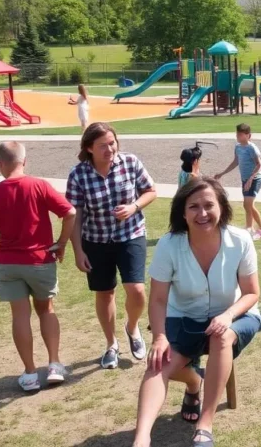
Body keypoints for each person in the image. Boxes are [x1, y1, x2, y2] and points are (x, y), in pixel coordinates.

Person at [132, 177, 261, 447]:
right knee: (157, 364)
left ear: (222, 208)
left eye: (208, 205)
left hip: (236, 315)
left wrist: (227, 316)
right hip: (183, 318)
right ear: (183, 211)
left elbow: (251, 293)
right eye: (193, 206)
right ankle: (142, 437)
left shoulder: (240, 240)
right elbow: (157, 299)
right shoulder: (169, 245)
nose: (202, 214)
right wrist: (159, 336)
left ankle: (205, 425)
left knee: (221, 337)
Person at [0, 141, 76, 392]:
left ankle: (29, 373)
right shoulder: (39, 185)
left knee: (20, 316)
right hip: (39, 259)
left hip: (7, 262)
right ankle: (55, 365)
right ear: (24, 161)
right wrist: (61, 243)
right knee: (46, 309)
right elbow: (69, 213)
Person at [67, 122, 158, 370]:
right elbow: (76, 215)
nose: (110, 149)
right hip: (95, 240)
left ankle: (132, 326)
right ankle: (111, 344)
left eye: (112, 143)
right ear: (89, 148)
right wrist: (78, 250)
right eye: (102, 146)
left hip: (131, 234)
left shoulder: (130, 162)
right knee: (105, 292)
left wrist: (133, 207)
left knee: (136, 289)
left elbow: (151, 191)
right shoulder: (78, 174)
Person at [214, 123, 261, 240]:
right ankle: (255, 229)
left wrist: (250, 179)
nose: (237, 136)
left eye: (240, 134)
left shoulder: (252, 148)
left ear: (248, 135)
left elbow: (259, 164)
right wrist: (222, 173)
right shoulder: (238, 147)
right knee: (247, 205)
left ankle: (254, 229)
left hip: (255, 179)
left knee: (248, 204)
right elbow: (235, 162)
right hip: (245, 180)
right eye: (237, 134)